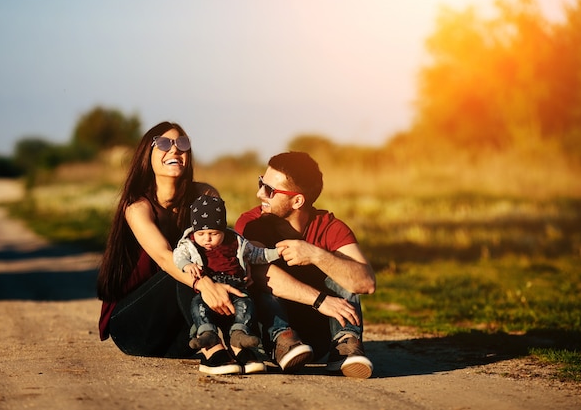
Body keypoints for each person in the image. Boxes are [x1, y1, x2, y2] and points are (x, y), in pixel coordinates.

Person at [96, 121, 245, 375]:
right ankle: (211, 352)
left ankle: (247, 343)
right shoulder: (137, 207)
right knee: (183, 267)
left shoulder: (204, 196)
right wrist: (203, 284)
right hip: (133, 326)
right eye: (164, 144)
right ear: (147, 154)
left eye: (182, 144)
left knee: (223, 269)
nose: (175, 150)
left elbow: (222, 248)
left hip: (178, 334)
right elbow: (166, 258)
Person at [234, 151, 376, 378]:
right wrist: (321, 300)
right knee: (261, 282)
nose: (260, 193)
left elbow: (365, 282)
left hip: (318, 333)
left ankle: (344, 346)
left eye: (269, 190)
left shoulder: (331, 227)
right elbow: (261, 273)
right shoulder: (252, 223)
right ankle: (283, 339)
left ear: (297, 200)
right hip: (268, 331)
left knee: (344, 270)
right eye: (261, 183)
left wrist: (316, 255)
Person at [173, 195, 281, 374]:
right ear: (194, 230)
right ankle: (207, 335)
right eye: (201, 234)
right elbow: (177, 255)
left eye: (213, 234)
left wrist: (277, 252)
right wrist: (187, 264)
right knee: (197, 305)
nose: (207, 239)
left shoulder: (236, 241)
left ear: (223, 230)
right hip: (208, 289)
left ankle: (239, 335)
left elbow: (256, 254)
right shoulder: (190, 243)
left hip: (235, 288)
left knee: (246, 304)